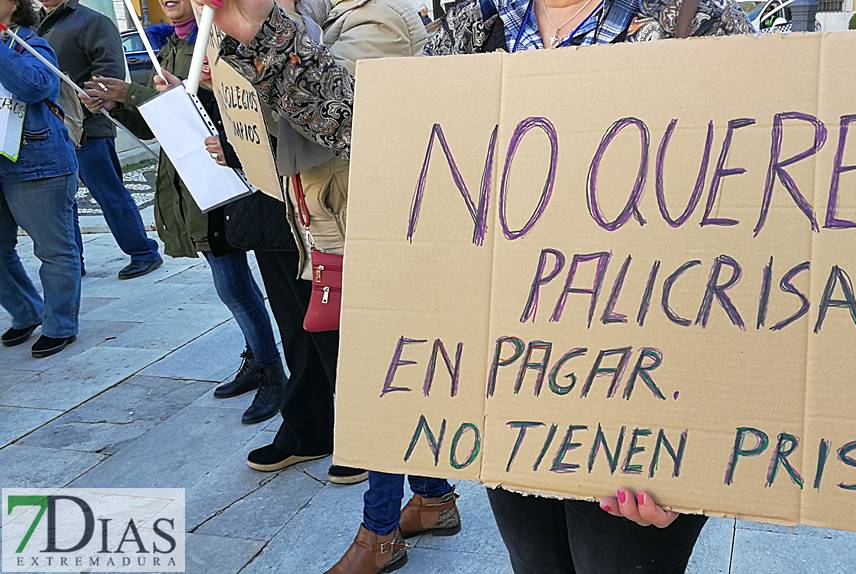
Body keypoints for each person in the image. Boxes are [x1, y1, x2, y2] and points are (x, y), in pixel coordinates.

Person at [205, 0, 753, 571]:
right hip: (513, 387)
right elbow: (383, 126)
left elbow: (754, 235)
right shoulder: (480, 23)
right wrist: (263, 34)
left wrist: (702, 464)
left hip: (640, 411)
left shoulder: (694, 21)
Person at [80, 0, 286, 425]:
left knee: (244, 285)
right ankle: (260, 359)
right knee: (232, 285)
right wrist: (117, 104)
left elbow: (217, 111)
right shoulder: (171, 47)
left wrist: (132, 93)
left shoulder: (219, 38)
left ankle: (274, 373)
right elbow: (162, 124)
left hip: (229, 179)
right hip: (194, 182)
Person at [207, 0, 370, 487]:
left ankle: (366, 442)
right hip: (285, 203)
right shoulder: (263, 18)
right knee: (299, 324)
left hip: (332, 214)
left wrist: (261, 42)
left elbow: (345, 119)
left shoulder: (371, 17)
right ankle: (312, 426)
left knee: (341, 336)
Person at [36, 0, 163, 280]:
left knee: (109, 193)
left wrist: (87, 107)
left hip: (89, 127)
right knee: (62, 202)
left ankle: (143, 252)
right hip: (50, 132)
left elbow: (109, 76)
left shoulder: (91, 21)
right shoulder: (33, 24)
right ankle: (72, 261)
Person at [0, 0, 81, 358]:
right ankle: (25, 311)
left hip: (37, 164)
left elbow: (34, 86)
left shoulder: (30, 42)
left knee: (53, 249)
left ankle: (60, 324)